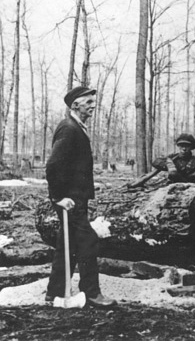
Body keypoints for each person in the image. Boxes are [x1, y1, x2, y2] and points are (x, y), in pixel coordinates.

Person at [45, 86, 117, 307]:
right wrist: (58, 198)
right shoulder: (69, 128)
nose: (93, 106)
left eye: (92, 102)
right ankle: (92, 293)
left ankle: (54, 292)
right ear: (75, 105)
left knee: (67, 245)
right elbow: (53, 165)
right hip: (70, 201)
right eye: (88, 102)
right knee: (88, 241)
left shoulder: (77, 127)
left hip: (75, 199)